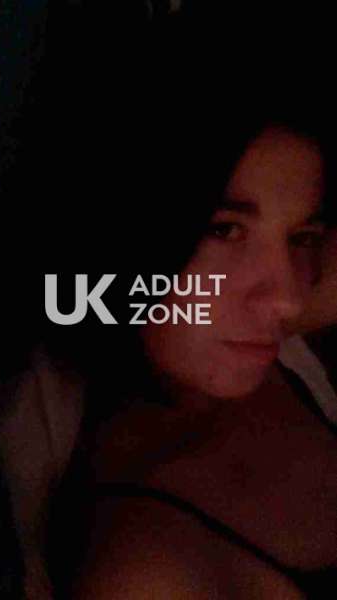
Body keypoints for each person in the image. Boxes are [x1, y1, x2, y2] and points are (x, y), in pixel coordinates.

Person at [45, 113, 337, 599]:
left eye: (302, 236)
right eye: (224, 230)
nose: (287, 299)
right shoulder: (147, 574)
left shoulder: (227, 328)